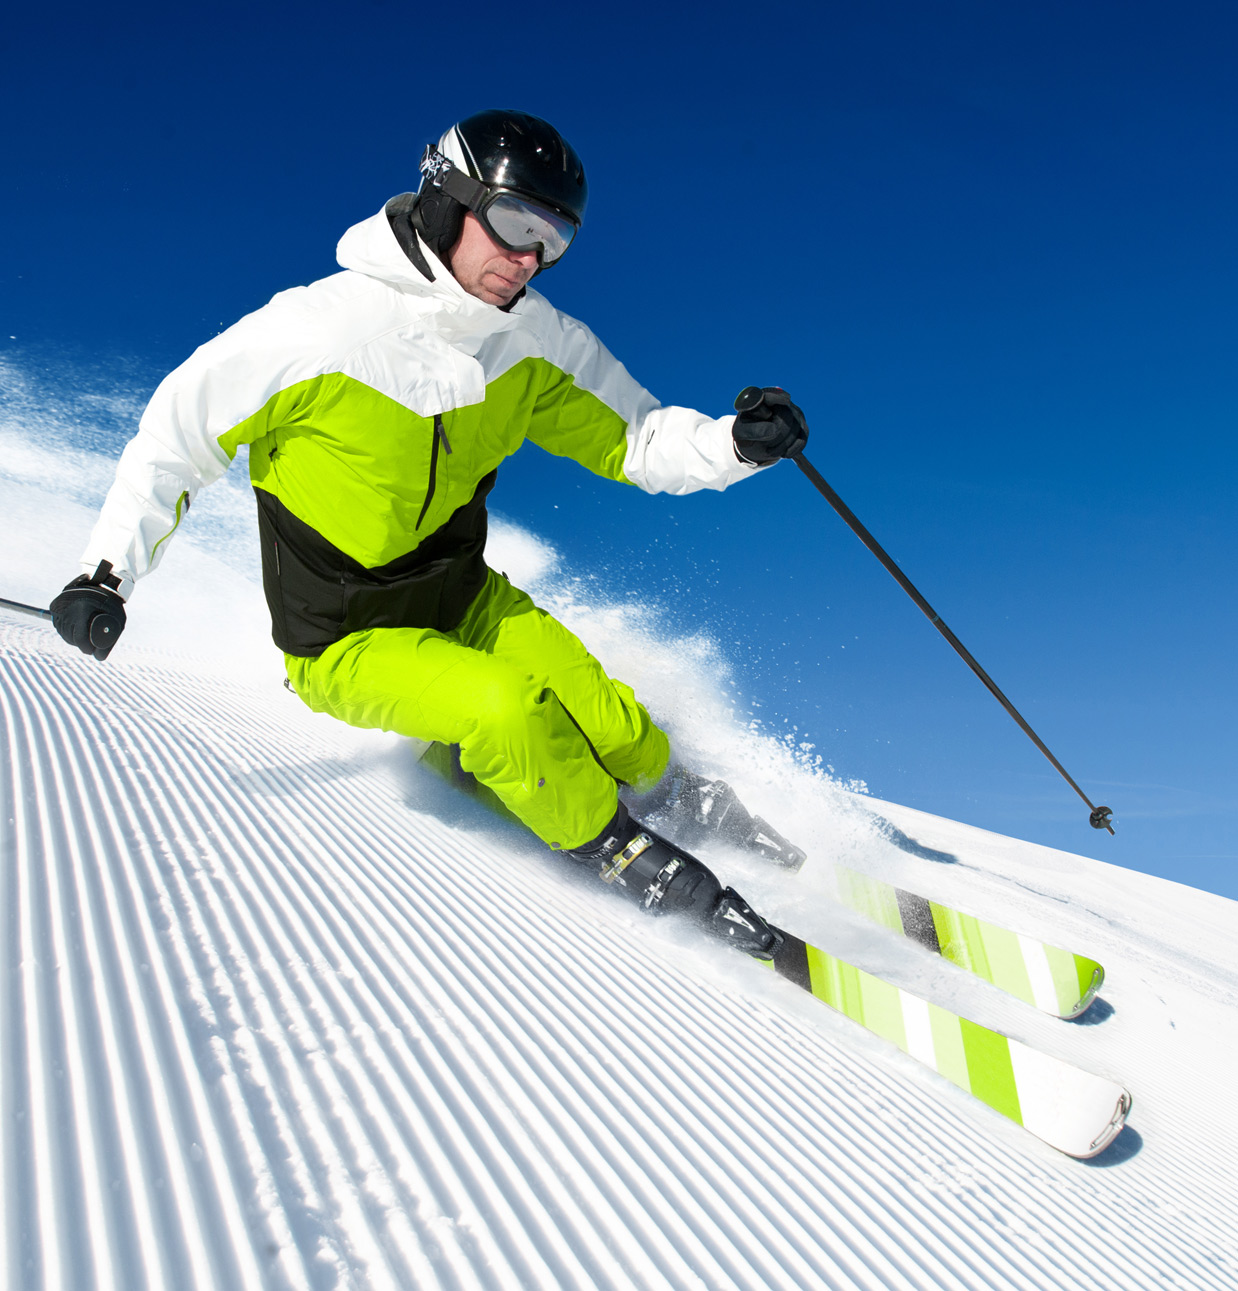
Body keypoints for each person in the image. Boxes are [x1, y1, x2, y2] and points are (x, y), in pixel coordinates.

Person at [50, 109, 808, 959]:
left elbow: (636, 437)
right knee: (510, 713)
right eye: (517, 223)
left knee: (618, 726)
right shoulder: (317, 330)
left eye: (553, 239)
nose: (529, 258)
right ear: (448, 200)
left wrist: (737, 446)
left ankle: (678, 795)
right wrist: (106, 571)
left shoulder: (534, 342)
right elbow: (177, 434)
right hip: (346, 636)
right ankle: (628, 855)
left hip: (463, 596)